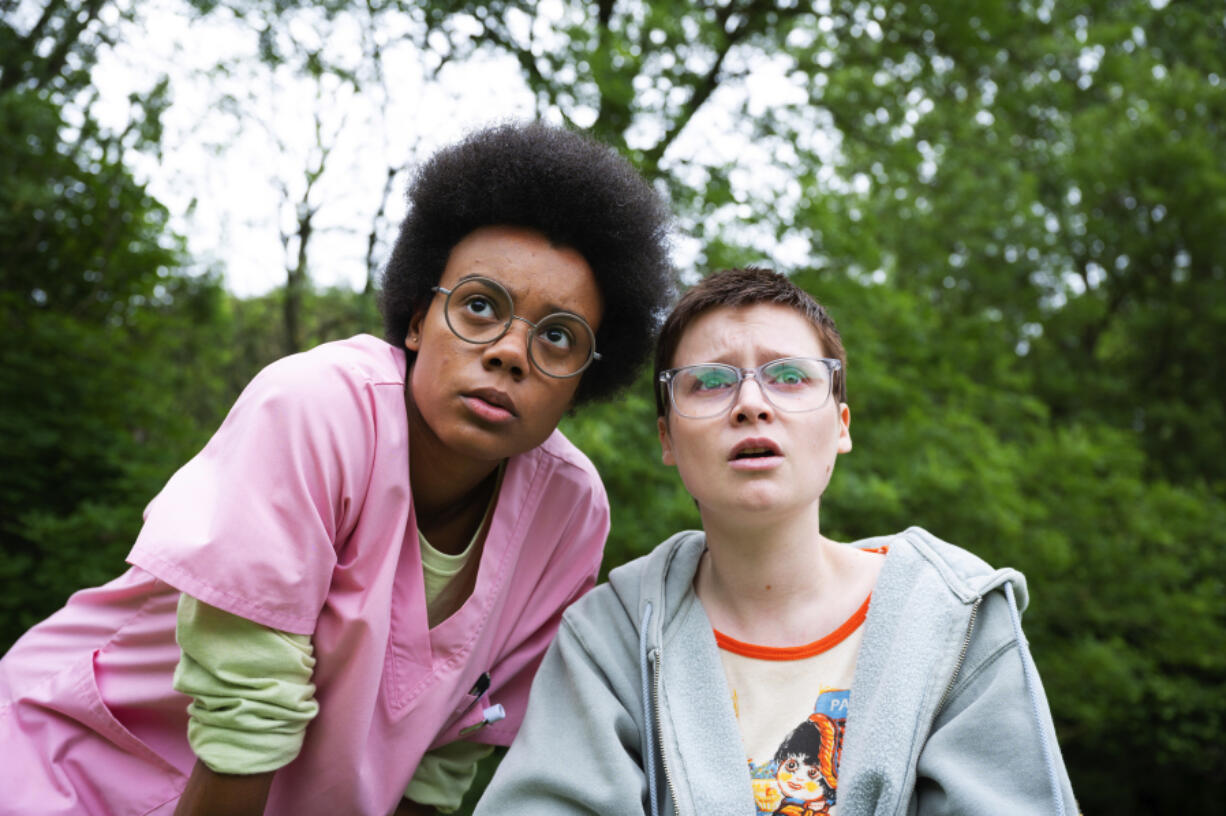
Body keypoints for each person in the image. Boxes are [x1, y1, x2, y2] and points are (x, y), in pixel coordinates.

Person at [0, 121, 673, 816]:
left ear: (583, 377)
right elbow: (245, 726)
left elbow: (446, 756)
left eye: (558, 335)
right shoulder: (317, 407)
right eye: (479, 306)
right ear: (417, 321)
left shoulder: (569, 513)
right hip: (64, 771)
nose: (509, 352)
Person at [474, 267, 1079, 815]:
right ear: (667, 439)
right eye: (709, 382)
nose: (751, 404)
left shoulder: (959, 618)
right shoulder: (608, 641)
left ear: (841, 425)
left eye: (788, 376)